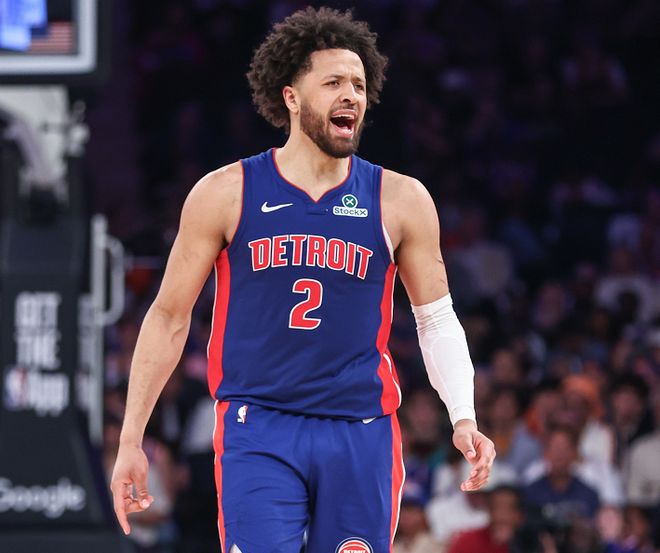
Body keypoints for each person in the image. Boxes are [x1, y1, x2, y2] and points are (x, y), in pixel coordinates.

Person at [110, 7, 495, 553]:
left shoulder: (400, 199)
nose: (351, 95)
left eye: (358, 85)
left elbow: (435, 320)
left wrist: (463, 416)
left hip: (361, 428)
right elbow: (169, 317)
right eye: (333, 82)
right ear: (291, 96)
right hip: (258, 426)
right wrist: (131, 438)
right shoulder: (225, 192)